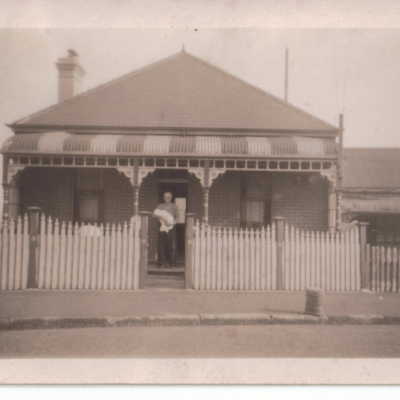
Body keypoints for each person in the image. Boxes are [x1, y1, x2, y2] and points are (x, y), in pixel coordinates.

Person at [153, 192, 180, 269]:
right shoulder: (160, 206)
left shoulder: (174, 206)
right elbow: (154, 214)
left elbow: (178, 216)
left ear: (171, 198)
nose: (167, 198)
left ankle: (173, 264)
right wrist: (162, 219)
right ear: (163, 198)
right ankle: (161, 264)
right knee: (161, 246)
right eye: (165, 197)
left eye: (168, 197)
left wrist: (173, 222)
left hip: (171, 228)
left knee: (172, 246)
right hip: (162, 227)